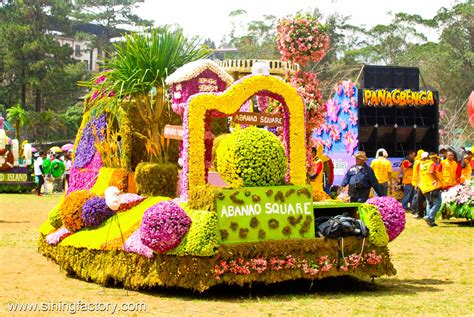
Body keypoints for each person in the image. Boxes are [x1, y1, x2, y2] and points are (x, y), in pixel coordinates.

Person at [417, 152, 442, 227]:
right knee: (437, 203)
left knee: (429, 203)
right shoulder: (431, 163)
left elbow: (420, 175)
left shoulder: (421, 165)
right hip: (432, 186)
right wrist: (436, 179)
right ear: (429, 157)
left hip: (424, 187)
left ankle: (431, 222)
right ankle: (429, 216)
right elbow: (431, 172)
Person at [411, 149, 426, 218]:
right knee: (417, 197)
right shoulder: (420, 162)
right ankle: (415, 210)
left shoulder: (416, 161)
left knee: (416, 196)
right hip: (419, 181)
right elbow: (420, 173)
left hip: (415, 180)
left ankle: (414, 210)